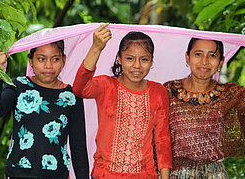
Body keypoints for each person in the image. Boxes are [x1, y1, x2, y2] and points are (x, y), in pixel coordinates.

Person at [163, 36, 245, 178]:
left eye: (212, 55)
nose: (204, 61)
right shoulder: (168, 91)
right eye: (198, 54)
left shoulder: (229, 94)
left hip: (214, 174)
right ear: (187, 58)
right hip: (175, 174)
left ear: (221, 62)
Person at [73, 24, 172, 179]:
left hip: (145, 175)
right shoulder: (106, 85)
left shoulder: (158, 92)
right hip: (104, 175)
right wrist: (96, 48)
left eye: (144, 59)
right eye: (130, 58)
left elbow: (162, 139)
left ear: (152, 61)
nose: (137, 65)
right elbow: (80, 89)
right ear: (119, 59)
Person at [0, 40, 89, 178]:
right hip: (18, 173)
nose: (48, 65)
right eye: (41, 59)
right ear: (31, 61)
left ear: (63, 60)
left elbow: (78, 147)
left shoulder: (71, 97)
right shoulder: (18, 86)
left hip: (56, 175)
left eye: (55, 59)